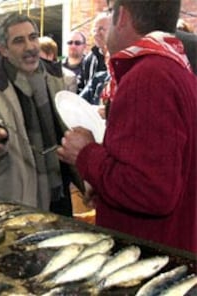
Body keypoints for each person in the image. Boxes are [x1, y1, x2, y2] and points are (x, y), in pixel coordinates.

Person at [57, 0, 197, 253]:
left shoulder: (149, 76)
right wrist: (105, 186)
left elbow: (151, 191)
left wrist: (86, 154)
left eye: (110, 14)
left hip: (147, 257)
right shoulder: (172, 68)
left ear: (121, 16)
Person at [0, 13, 83, 216]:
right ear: (3, 49)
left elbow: (72, 131)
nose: (30, 47)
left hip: (60, 194)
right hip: (17, 199)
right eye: (19, 41)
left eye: (33, 37)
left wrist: (85, 181)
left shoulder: (60, 80)